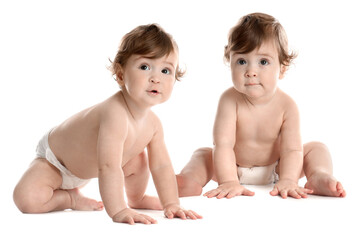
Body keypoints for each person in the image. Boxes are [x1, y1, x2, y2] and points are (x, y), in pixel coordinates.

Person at [13, 24, 201, 225]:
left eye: (166, 70)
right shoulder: (115, 114)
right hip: (57, 162)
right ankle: (69, 198)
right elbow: (108, 166)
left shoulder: (153, 125)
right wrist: (118, 210)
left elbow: (162, 165)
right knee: (27, 199)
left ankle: (136, 198)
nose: (156, 78)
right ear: (121, 74)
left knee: (138, 160)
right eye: (145, 67)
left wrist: (171, 203)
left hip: (94, 165)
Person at [177, 13, 346, 199]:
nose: (251, 72)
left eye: (263, 62)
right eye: (242, 61)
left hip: (278, 169)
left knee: (316, 149)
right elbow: (223, 145)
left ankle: (318, 176)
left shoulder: (287, 106)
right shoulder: (229, 100)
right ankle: (189, 179)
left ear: (282, 68)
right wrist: (228, 180)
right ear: (230, 62)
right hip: (232, 168)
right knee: (203, 155)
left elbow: (292, 149)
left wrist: (289, 179)